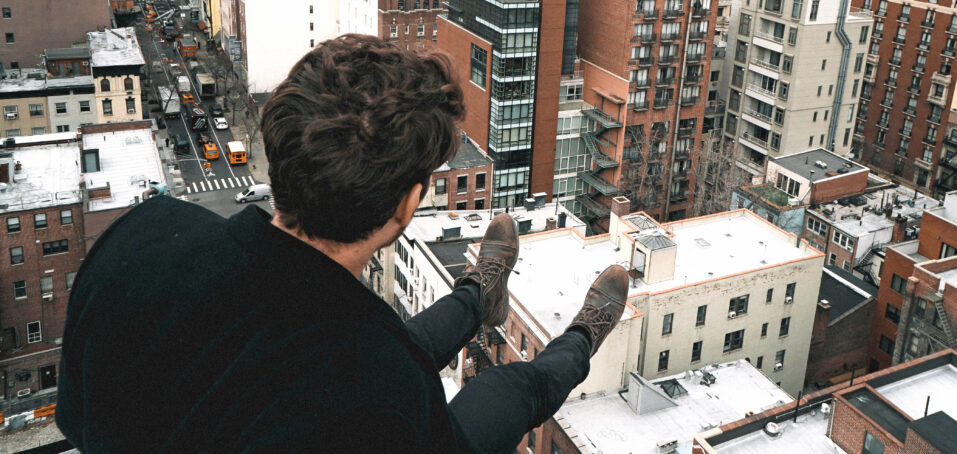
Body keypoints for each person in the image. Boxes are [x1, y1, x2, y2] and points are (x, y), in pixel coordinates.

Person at [57, 35, 629, 453]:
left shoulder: (142, 234)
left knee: (382, 350)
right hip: (385, 409)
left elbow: (79, 418)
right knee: (513, 385)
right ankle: (581, 336)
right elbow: (351, 382)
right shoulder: (380, 386)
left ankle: (479, 296)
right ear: (406, 206)